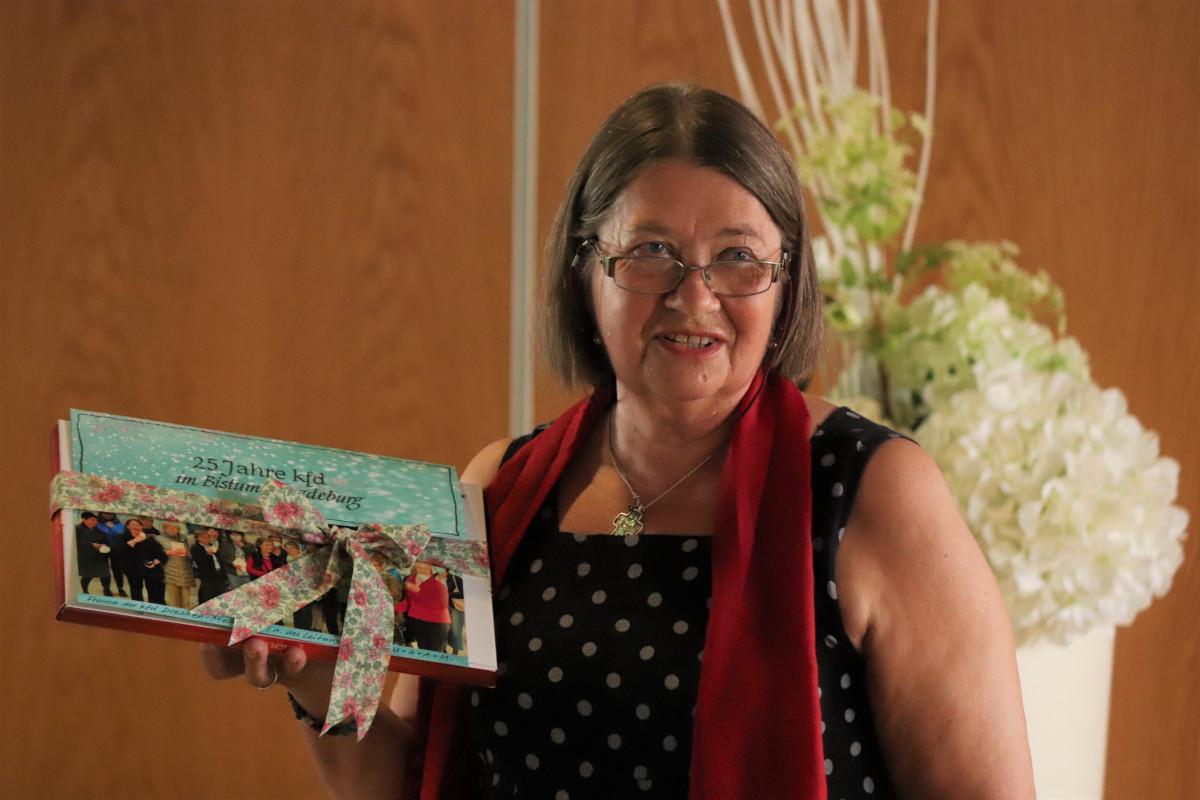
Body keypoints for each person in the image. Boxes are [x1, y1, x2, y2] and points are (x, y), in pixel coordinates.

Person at [201, 83, 1033, 798]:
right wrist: (320, 675)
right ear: (584, 271)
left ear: (786, 283)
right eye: (651, 252)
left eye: (739, 258)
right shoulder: (498, 488)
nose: (695, 297)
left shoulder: (872, 491)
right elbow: (414, 781)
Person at [401, 562, 451, 653]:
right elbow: (406, 599)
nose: (420, 570)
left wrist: (418, 592)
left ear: (432, 571)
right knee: (422, 651)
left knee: (433, 653)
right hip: (417, 620)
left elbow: (440, 606)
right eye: (419, 567)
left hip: (436, 623)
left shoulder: (439, 586)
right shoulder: (410, 579)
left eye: (425, 569)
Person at [157, 522, 196, 609]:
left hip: (185, 574)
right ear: (165, 528)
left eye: (175, 528)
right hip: (170, 573)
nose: (173, 530)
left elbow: (192, 554)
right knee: (173, 600)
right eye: (170, 527)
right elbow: (155, 554)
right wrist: (165, 552)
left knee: (186, 601)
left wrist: (188, 553)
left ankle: (184, 616)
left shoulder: (183, 539)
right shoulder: (159, 538)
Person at [74, 511, 113, 596]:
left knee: (105, 575)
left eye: (96, 520)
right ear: (84, 519)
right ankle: (85, 591)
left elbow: (105, 539)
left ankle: (107, 590)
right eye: (92, 520)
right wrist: (91, 544)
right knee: (87, 575)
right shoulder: (77, 528)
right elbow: (75, 542)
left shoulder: (97, 529)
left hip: (100, 555)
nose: (95, 522)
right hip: (86, 556)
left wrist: (104, 544)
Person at [190, 527, 230, 604]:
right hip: (207, 576)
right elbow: (199, 562)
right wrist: (208, 555)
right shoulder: (195, 548)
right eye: (204, 537)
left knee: (220, 594)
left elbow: (219, 560)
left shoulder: (212, 545)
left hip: (219, 573)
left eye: (208, 537)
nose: (207, 539)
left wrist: (224, 574)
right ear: (198, 538)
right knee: (209, 595)